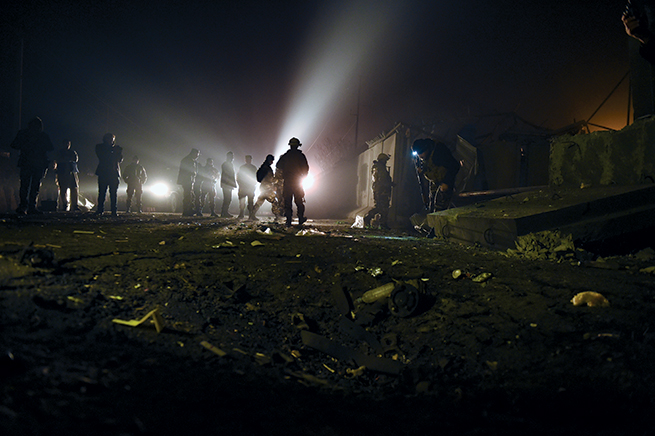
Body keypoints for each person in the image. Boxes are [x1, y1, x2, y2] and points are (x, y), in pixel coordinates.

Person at [10, 117, 54, 215]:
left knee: (26, 185)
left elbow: (14, 145)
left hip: (28, 163)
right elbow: (50, 148)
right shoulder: (42, 135)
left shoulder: (24, 134)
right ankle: (30, 206)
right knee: (33, 186)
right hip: (36, 164)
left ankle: (25, 206)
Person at [411, 138, 460, 213]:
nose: (420, 156)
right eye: (418, 154)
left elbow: (454, 166)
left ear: (426, 148)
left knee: (440, 208)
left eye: (421, 152)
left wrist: (446, 182)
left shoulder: (439, 151)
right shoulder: (420, 158)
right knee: (432, 207)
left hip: (445, 182)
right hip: (434, 182)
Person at [276, 137, 309, 227]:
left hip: (288, 181)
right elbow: (306, 168)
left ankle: (288, 220)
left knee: (287, 201)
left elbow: (278, 165)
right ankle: (300, 218)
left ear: (290, 146)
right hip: (297, 181)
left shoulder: (286, 156)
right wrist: (303, 176)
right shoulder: (301, 156)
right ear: (298, 146)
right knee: (299, 200)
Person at [95, 133, 123, 216]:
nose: (111, 141)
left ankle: (113, 210)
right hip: (105, 172)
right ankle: (101, 209)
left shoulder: (115, 149)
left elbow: (120, 159)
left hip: (112, 172)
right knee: (102, 192)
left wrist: (116, 152)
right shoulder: (100, 147)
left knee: (113, 193)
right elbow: (103, 156)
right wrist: (115, 151)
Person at [364, 153, 394, 229]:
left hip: (380, 190)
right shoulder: (380, 168)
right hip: (381, 190)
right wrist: (389, 184)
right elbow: (382, 180)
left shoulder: (378, 167)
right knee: (381, 207)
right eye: (385, 160)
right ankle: (369, 218)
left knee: (383, 207)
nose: (386, 162)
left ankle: (382, 223)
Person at [54, 139, 80, 212]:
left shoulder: (72, 152)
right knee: (63, 188)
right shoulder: (61, 152)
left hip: (71, 171)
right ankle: (65, 204)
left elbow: (75, 159)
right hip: (63, 172)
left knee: (73, 188)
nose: (67, 145)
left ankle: (74, 205)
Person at [252, 154, 277, 220]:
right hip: (267, 188)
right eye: (272, 160)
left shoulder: (263, 167)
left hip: (263, 187)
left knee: (260, 201)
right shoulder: (267, 168)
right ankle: (278, 216)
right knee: (274, 202)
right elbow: (270, 178)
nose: (272, 162)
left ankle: (252, 215)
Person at [176, 148, 200, 216]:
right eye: (197, 154)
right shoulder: (188, 160)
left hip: (189, 180)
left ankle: (189, 210)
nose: (197, 156)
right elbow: (187, 171)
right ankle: (186, 211)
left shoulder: (190, 160)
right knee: (188, 196)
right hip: (187, 180)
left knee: (190, 195)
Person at [237, 155, 258, 219]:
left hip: (248, 186)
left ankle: (249, 215)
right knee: (243, 201)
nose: (248, 160)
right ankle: (245, 214)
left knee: (250, 202)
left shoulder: (245, 167)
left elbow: (255, 177)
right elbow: (239, 177)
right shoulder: (252, 167)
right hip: (245, 186)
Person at [220, 151, 237, 217]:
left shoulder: (227, 164)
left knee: (227, 198)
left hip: (227, 184)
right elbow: (228, 174)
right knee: (227, 198)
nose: (232, 158)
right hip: (226, 184)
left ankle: (224, 212)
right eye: (231, 156)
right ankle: (224, 212)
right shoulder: (226, 164)